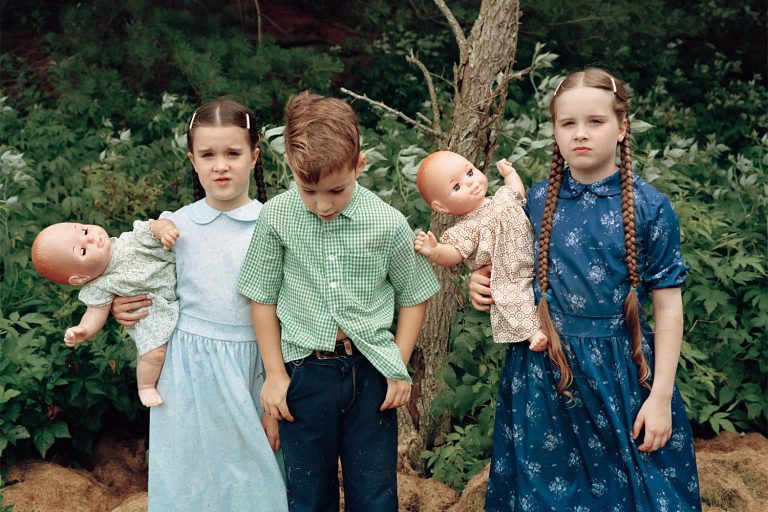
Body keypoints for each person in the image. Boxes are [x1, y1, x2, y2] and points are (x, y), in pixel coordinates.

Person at [469, 68, 702, 511]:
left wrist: (660, 397)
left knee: (636, 493)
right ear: (554, 131)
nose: (580, 133)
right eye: (567, 123)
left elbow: (669, 309)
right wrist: (481, 283)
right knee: (546, 495)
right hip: (543, 374)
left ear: (622, 127)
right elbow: (507, 271)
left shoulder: (651, 208)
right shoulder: (534, 202)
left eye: (595, 121)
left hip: (623, 375)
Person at [238, 91, 439, 512]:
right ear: (290, 166)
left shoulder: (386, 222)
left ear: (359, 165)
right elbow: (262, 298)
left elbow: (414, 295)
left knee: (375, 494)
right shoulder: (276, 217)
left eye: (336, 189)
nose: (323, 204)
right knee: (309, 496)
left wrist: (397, 365)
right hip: (304, 373)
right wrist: (274, 375)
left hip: (371, 374)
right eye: (309, 190)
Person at [110, 98, 288, 512]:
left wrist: (276, 390)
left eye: (233, 153)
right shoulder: (174, 226)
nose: (220, 166)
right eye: (208, 155)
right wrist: (120, 305)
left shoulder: (275, 224)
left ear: (254, 156)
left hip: (254, 369)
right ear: (192, 160)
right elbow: (134, 276)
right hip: (186, 372)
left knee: (255, 479)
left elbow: (287, 311)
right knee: (188, 479)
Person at [31, 218, 179, 407]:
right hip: (155, 314)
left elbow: (155, 225)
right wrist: (84, 330)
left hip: (178, 284)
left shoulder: (132, 239)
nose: (91, 239)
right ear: (80, 279)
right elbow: (95, 313)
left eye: (84, 231)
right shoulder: (99, 285)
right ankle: (146, 386)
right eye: (83, 250)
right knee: (154, 353)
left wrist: (165, 229)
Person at [414, 150, 547, 351]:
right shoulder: (467, 228)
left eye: (470, 172)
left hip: (534, 256)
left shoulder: (502, 197)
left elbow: (516, 190)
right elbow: (454, 253)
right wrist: (435, 251)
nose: (470, 183)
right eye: (456, 186)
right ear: (441, 208)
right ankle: (533, 332)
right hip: (508, 272)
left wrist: (510, 174)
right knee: (510, 297)